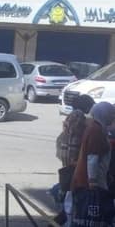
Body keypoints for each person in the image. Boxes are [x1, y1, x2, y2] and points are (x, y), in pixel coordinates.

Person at [66, 102, 115, 225]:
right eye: (111, 114)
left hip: (91, 180)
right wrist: (93, 183)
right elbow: (92, 159)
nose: (112, 117)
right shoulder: (96, 130)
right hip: (91, 182)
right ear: (103, 114)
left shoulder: (96, 127)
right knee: (92, 216)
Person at [51, 95, 95, 225]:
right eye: (90, 105)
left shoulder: (74, 115)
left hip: (68, 157)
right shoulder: (78, 116)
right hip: (72, 159)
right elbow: (74, 141)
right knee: (71, 192)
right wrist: (74, 160)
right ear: (85, 105)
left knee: (68, 193)